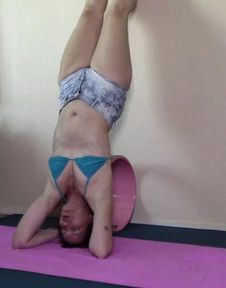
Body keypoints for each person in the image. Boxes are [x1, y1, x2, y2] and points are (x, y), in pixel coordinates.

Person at [12, 0, 137, 258]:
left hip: (69, 90)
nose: (66, 223)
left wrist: (52, 235)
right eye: (76, 228)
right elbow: (101, 250)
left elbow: (20, 240)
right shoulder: (97, 190)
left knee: (91, 9)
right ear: (91, 222)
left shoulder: (53, 190)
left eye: (63, 227)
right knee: (116, 11)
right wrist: (90, 233)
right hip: (105, 92)